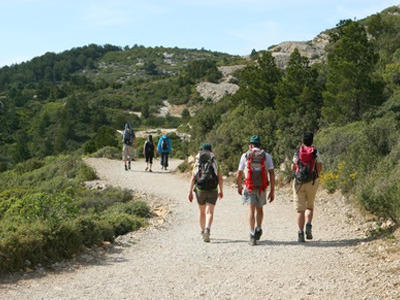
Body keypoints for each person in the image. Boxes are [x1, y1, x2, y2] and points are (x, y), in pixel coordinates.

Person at [236, 135, 275, 246]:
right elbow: (272, 173)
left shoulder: (245, 156)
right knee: (260, 210)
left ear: (251, 145)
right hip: (262, 187)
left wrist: (239, 186)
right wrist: (272, 190)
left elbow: (239, 173)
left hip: (249, 187)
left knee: (251, 211)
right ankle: (259, 228)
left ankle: (252, 234)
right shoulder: (266, 156)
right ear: (260, 145)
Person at [291, 132, 322, 243]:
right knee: (309, 207)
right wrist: (315, 175)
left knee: (300, 210)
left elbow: (293, 167)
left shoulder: (298, 152)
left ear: (302, 141)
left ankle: (300, 233)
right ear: (312, 141)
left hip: (299, 182)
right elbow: (319, 166)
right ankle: (308, 225)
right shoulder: (315, 152)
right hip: (312, 182)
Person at [188, 144, 223, 242]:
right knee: (210, 212)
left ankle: (203, 230)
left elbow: (193, 177)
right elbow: (220, 178)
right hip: (213, 189)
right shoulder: (215, 161)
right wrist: (221, 190)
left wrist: (190, 191)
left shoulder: (198, 161)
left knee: (202, 212)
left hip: (200, 189)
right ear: (211, 150)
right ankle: (208, 229)